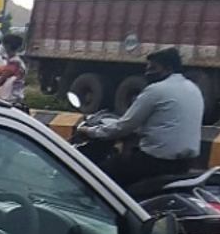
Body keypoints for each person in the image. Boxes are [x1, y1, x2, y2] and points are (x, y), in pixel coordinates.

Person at [77, 46, 204, 189]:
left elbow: (123, 127)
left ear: (168, 68)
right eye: (148, 67)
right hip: (186, 163)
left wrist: (90, 131)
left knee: (99, 175)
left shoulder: (156, 90)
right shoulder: (193, 88)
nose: (147, 72)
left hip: (155, 161)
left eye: (153, 67)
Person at [0, 33, 28, 106]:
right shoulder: (12, 61)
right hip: (11, 99)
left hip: (10, 100)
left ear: (7, 46)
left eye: (2, 43)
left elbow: (0, 83)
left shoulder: (14, 62)